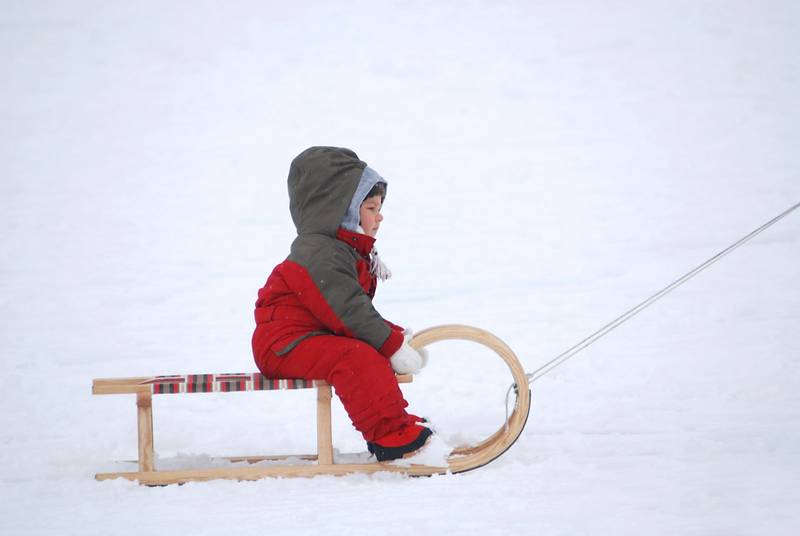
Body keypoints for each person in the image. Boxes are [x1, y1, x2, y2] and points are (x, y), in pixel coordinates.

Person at [252, 146, 432, 461]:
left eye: (379, 208)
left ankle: (396, 424)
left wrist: (394, 337)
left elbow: (352, 311)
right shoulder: (319, 253)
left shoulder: (340, 250)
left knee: (363, 351)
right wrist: (390, 344)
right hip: (284, 345)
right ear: (343, 210)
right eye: (371, 207)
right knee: (355, 358)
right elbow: (348, 311)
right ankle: (392, 436)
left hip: (307, 337)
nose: (379, 216)